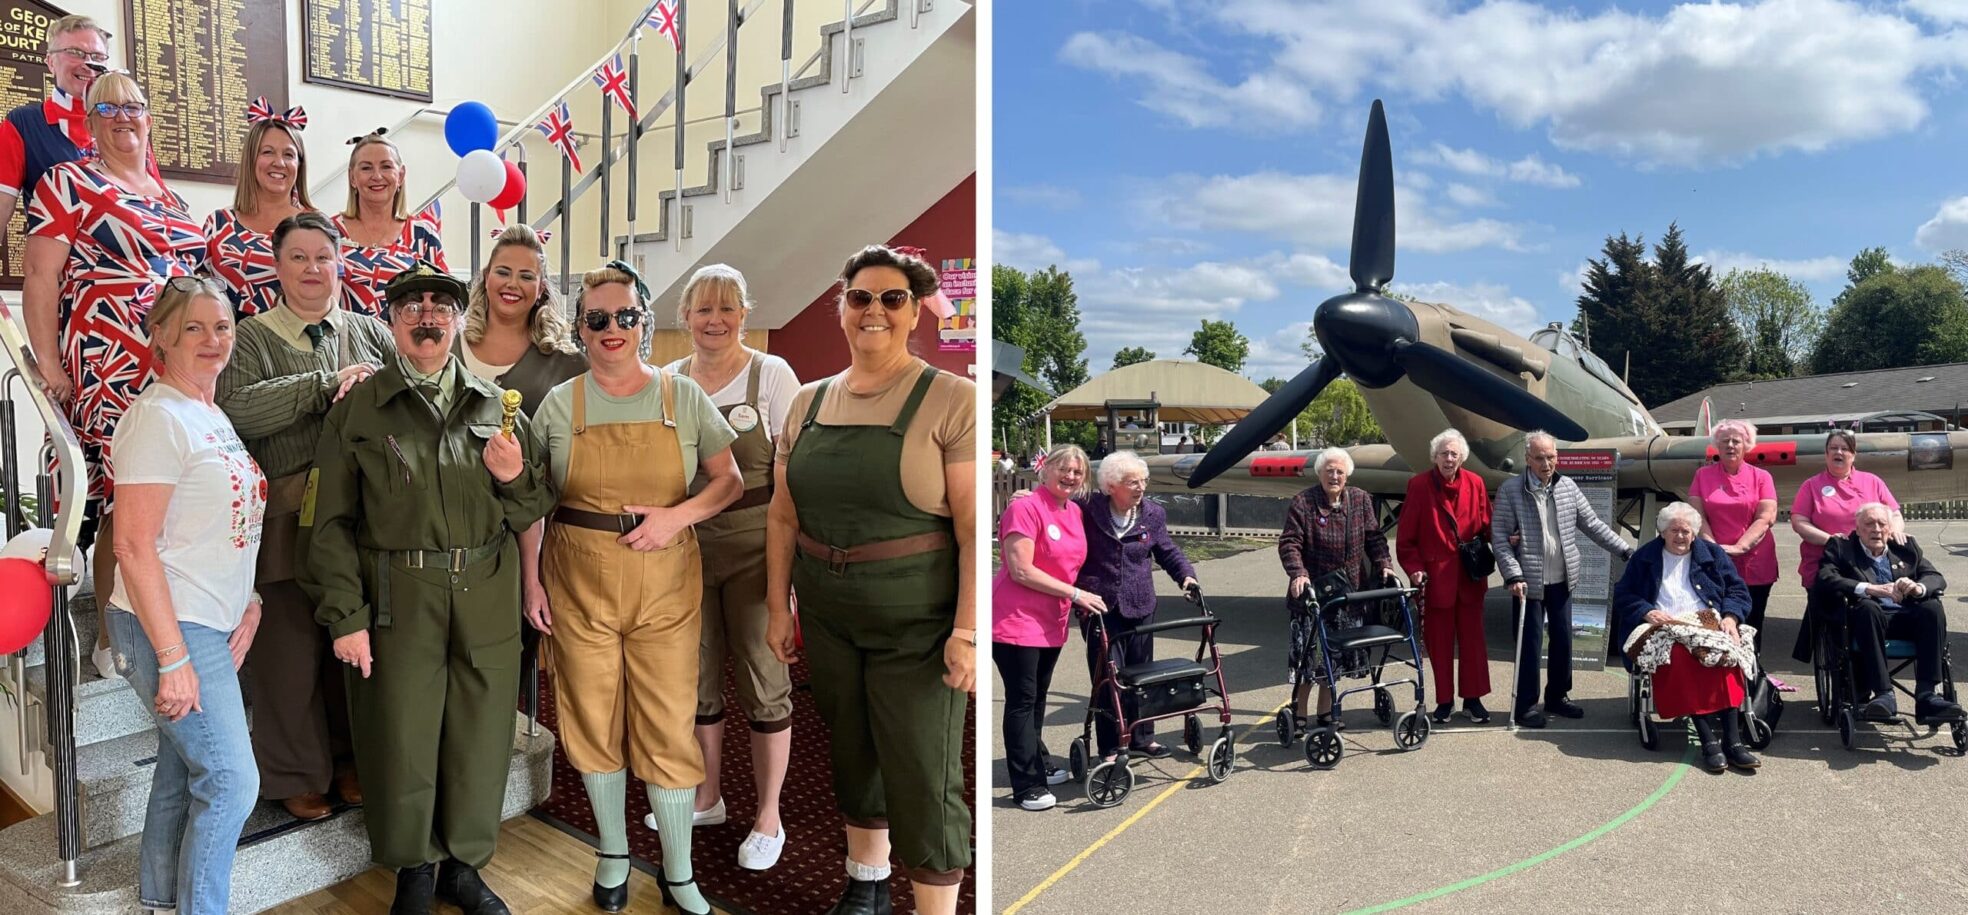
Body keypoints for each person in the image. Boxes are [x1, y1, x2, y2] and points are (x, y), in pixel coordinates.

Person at [302, 261, 554, 915]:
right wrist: (345, 615)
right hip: (398, 596)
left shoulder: (495, 407)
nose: (426, 316)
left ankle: (464, 865)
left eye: (439, 306)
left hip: (486, 592)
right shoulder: (359, 408)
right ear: (391, 322)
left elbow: (531, 508)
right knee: (401, 734)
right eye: (410, 306)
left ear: (456, 321)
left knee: (479, 735)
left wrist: (514, 473)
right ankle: (415, 865)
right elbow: (327, 523)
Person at [763, 245, 975, 915]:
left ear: (914, 311)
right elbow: (780, 515)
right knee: (851, 749)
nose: (874, 311)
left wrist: (968, 630)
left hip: (919, 625)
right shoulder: (806, 402)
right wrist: (778, 606)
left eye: (892, 298)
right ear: (842, 309)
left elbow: (972, 529)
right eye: (860, 298)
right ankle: (867, 884)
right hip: (827, 616)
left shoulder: (951, 398)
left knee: (922, 770)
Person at [530, 262, 742, 914]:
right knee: (591, 717)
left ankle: (678, 871)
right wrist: (529, 581)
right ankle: (613, 853)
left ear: (645, 323)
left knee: (668, 720)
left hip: (667, 578)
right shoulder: (561, 404)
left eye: (625, 316)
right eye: (599, 319)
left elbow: (728, 480)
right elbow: (534, 501)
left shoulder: (685, 398)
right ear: (581, 330)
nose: (613, 328)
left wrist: (676, 516)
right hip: (576, 575)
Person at [22, 71, 206, 681]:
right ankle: (111, 637)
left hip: (174, 366)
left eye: (134, 105)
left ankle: (163, 624)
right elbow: (43, 278)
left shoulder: (171, 197)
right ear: (89, 120)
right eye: (108, 107)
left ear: (149, 117)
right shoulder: (67, 182)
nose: (123, 115)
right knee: (126, 503)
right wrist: (48, 363)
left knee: (170, 503)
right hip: (110, 362)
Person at [216, 212, 393, 821]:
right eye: (298, 257)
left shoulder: (372, 332)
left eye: (324, 256)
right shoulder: (250, 337)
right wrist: (323, 385)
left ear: (341, 262)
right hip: (286, 520)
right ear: (276, 265)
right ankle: (294, 772)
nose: (312, 269)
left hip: (365, 518)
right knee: (288, 656)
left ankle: (351, 762)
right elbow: (234, 409)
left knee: (353, 643)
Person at [103, 277, 265, 914]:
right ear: (161, 336)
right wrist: (173, 658)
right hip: (170, 623)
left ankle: (160, 901)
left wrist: (249, 603)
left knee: (182, 772)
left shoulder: (208, 412)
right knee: (230, 781)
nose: (211, 339)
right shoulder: (157, 418)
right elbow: (132, 547)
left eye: (221, 327)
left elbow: (226, 524)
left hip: (212, 618)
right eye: (193, 327)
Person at [662, 263, 800, 870]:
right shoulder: (666, 378)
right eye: (702, 309)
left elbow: (793, 477)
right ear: (685, 318)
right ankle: (706, 795)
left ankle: (768, 815)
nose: (714, 320)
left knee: (764, 677)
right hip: (686, 545)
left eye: (726, 309)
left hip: (756, 543)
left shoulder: (771, 375)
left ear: (745, 314)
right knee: (694, 675)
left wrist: (787, 577)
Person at [1491, 430, 1631, 728]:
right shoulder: (1511, 490)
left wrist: (1625, 550)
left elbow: (1592, 524)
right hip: (1527, 581)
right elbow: (1501, 539)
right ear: (1527, 459)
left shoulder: (1567, 486)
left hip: (1563, 579)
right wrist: (1512, 574)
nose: (1546, 463)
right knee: (1529, 644)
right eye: (1540, 458)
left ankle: (1557, 696)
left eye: (1551, 456)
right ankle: (1525, 706)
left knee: (1563, 641)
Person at [1068, 450, 1197, 760]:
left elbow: (1167, 551)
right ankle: (1110, 746)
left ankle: (1142, 737)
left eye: (1144, 481)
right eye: (1133, 482)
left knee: (1143, 674)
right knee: (1107, 678)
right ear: (1111, 485)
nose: (1141, 488)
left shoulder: (1153, 514)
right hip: (1100, 607)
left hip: (1141, 604)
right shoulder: (1086, 508)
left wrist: (1187, 578)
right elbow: (1053, 505)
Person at [1613, 503, 1759, 772]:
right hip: (1664, 623)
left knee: (1725, 653)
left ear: (1694, 533)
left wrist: (1730, 617)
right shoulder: (1645, 557)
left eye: (1686, 531)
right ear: (1663, 532)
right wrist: (1646, 611)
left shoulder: (1712, 554)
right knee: (1680, 657)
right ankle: (1708, 741)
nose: (1680, 536)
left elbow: (1738, 590)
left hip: (1705, 619)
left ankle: (1733, 741)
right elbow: (1623, 594)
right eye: (1674, 530)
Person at [992, 445, 1096, 812]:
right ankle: (1026, 784)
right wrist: (1076, 592)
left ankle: (1036, 759)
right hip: (1015, 620)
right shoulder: (1025, 507)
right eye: (1063, 469)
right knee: (1022, 700)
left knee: (1037, 697)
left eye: (1077, 472)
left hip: (1051, 622)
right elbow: (1021, 569)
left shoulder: (1074, 511)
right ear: (1045, 469)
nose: (1070, 476)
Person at [1813, 502, 1965, 723]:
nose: (1876, 529)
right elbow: (1826, 578)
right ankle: (1884, 695)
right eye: (1869, 524)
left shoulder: (1905, 547)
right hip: (1866, 620)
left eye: (1882, 523)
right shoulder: (1841, 547)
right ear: (1857, 528)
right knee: (1868, 606)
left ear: (1890, 527)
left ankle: (1927, 695)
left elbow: (1934, 576)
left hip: (1904, 617)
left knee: (1932, 607)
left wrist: (1917, 587)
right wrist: (1868, 589)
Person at [1279, 447, 1390, 734]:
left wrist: (1384, 564)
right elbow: (1290, 543)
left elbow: (1374, 538)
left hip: (1348, 594)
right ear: (1319, 473)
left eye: (1340, 471)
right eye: (1329, 471)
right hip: (1313, 594)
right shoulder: (1303, 502)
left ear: (1347, 475)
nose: (1335, 476)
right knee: (1308, 658)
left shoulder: (1360, 500)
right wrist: (1298, 574)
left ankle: (1325, 712)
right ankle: (1300, 713)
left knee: (1335, 658)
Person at [1396, 428, 1494, 724]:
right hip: (1436, 578)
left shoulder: (1476, 483)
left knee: (1473, 642)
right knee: (1438, 644)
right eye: (1443, 453)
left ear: (1461, 456)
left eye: (1454, 453)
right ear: (1434, 457)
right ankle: (1444, 700)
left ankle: (1473, 699)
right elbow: (1406, 539)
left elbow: (1487, 523)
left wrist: (1506, 539)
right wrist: (1414, 569)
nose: (1449, 458)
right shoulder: (1419, 486)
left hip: (1469, 576)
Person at [1789, 429, 1904, 665]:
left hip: (1867, 564)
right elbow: (1799, 521)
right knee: (1834, 617)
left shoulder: (1872, 481)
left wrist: (1894, 530)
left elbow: (1894, 513)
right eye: (1833, 448)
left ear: (1854, 455)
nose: (1838, 452)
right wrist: (1830, 540)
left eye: (1845, 448)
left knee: (1871, 611)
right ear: (1826, 454)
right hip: (1828, 565)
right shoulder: (1812, 485)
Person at [0, 15, 111, 245]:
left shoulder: (124, 122)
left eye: (97, 57)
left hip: (135, 272)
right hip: (59, 272)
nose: (88, 64)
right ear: (51, 62)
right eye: (75, 52)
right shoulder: (23, 124)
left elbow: (154, 204)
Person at [203, 99, 313, 318]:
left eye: (289, 155)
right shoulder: (217, 224)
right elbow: (197, 296)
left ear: (299, 165)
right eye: (268, 152)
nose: (279, 162)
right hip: (229, 345)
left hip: (296, 346)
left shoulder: (315, 226)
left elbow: (329, 302)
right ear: (251, 159)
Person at [1687, 419, 1778, 654]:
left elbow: (1766, 516)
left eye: (1736, 441)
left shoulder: (1762, 477)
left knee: (1752, 622)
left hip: (1755, 561)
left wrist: (1740, 547)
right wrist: (1715, 549)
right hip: (1714, 559)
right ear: (1716, 445)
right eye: (1724, 441)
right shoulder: (1702, 475)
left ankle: (1753, 672)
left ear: (1747, 444)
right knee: (1716, 620)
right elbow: (1696, 516)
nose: (1730, 445)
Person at [333, 130, 446, 319]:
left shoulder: (423, 234)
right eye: (366, 168)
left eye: (386, 167)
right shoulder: (330, 232)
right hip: (348, 344)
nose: (377, 176)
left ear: (400, 176)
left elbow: (442, 300)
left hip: (407, 346)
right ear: (352, 178)